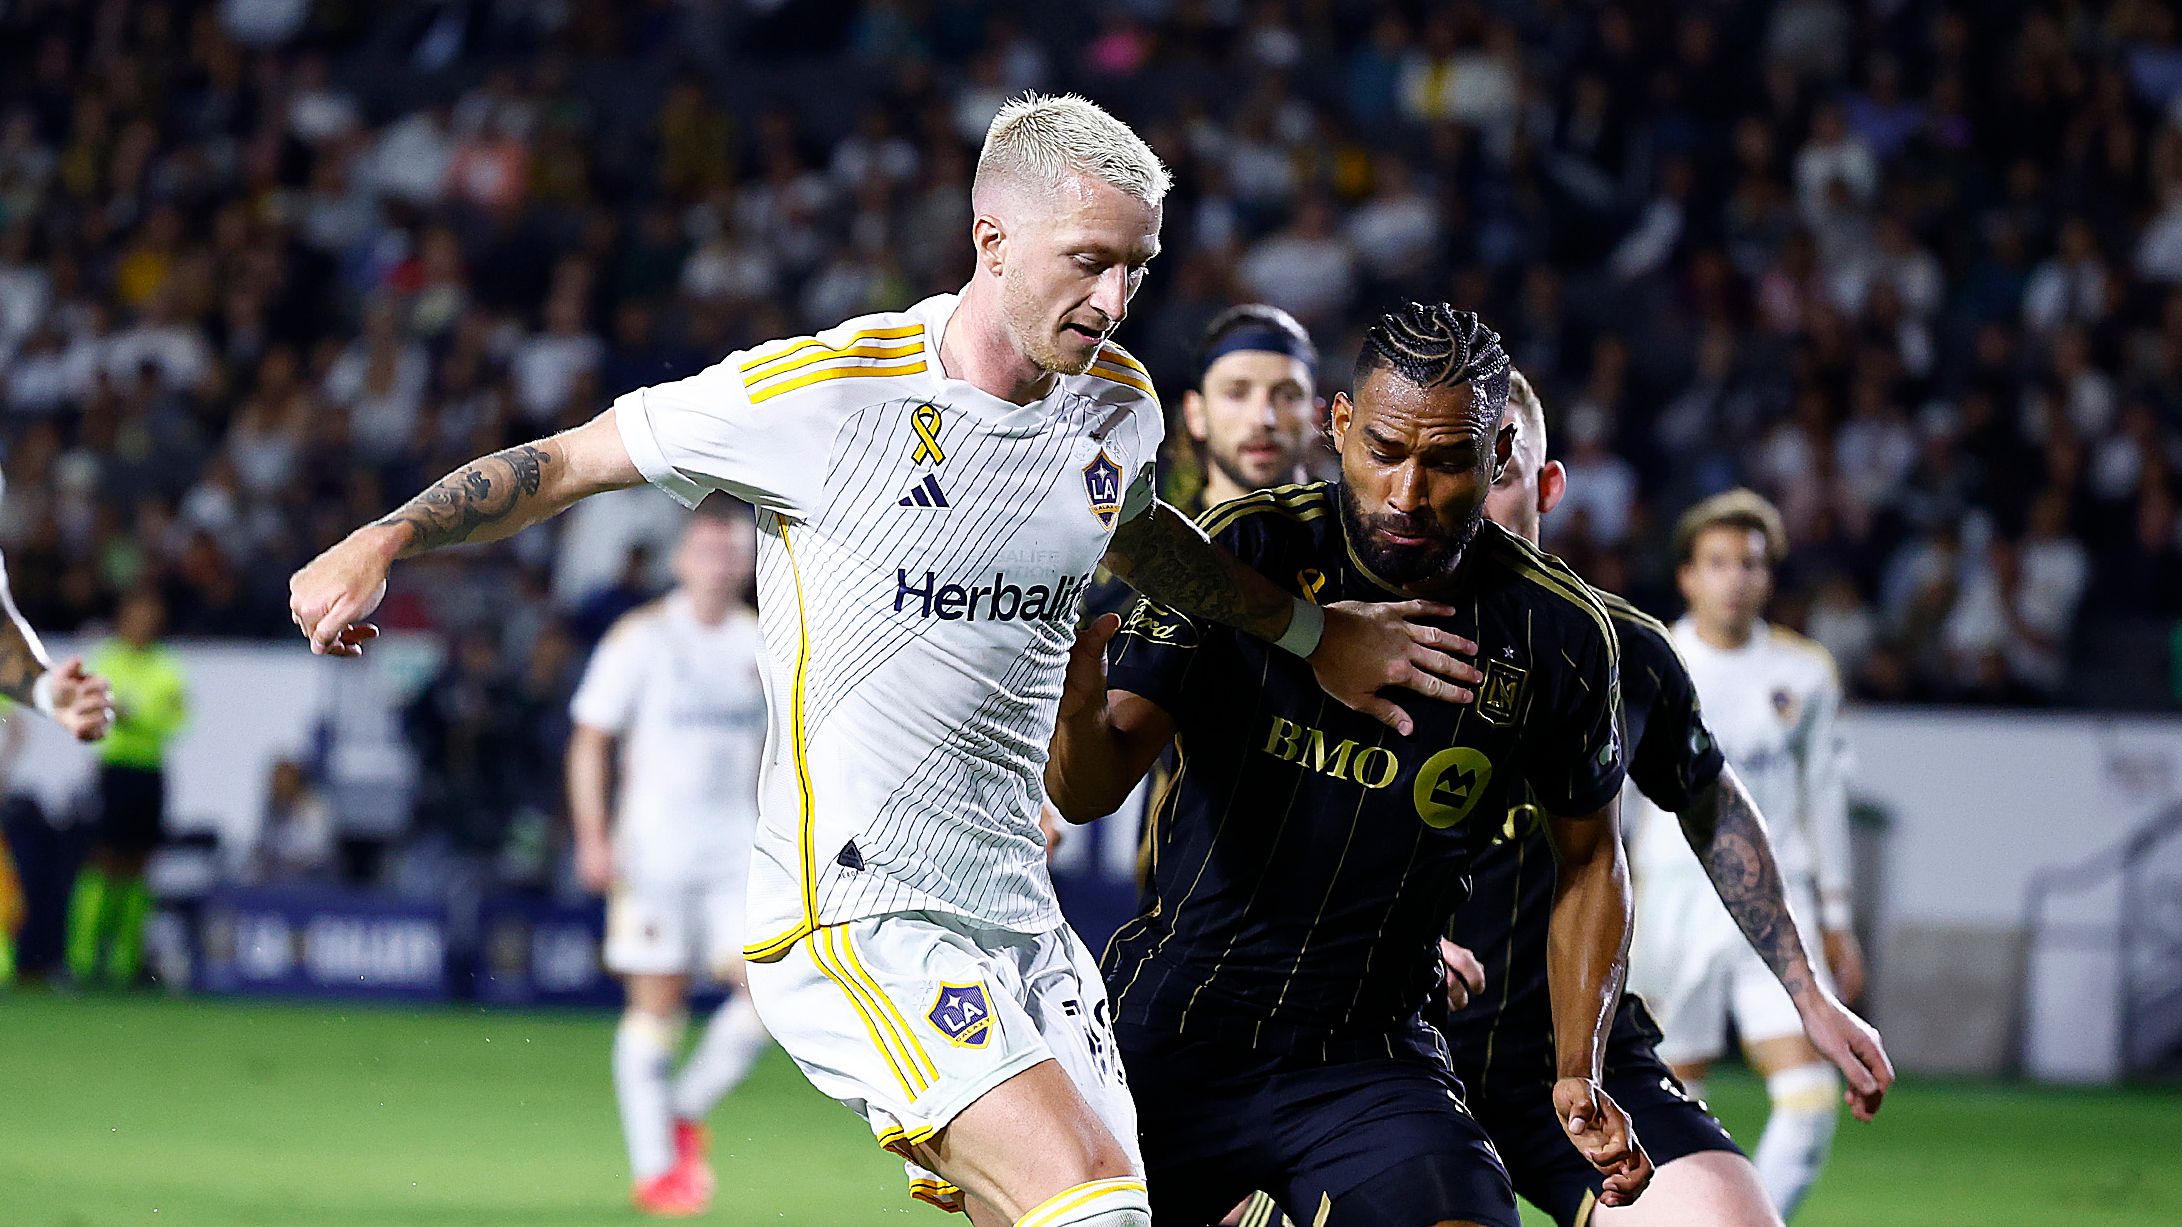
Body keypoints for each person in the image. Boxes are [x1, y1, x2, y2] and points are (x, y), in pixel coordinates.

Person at [289, 93, 1477, 1227]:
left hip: (1020, 916)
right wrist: (386, 533)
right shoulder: (822, 397)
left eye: (1139, 267)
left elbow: (1142, 539)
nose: (1116, 299)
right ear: (991, 238)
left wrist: (1317, 635)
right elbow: (570, 461)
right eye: (1088, 261)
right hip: (857, 911)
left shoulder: (1113, 408)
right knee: (1094, 1197)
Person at [1046, 304, 1650, 1227]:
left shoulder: (1560, 637)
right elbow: (1087, 789)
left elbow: (1591, 859)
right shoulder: (1244, 549)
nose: (1408, 493)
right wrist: (1080, 705)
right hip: (1175, 1028)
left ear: (1498, 456)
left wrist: (1579, 1066)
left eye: (1447, 462)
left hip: (1367, 1051)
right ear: (1337, 426)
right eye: (1383, 450)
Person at [1432, 372, 1893, 1227]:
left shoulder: (1624, 654)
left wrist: (1809, 994)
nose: (1464, 500)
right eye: (1446, 468)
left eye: (1496, 474)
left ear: (1547, 486)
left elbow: (1711, 805)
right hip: (1384, 1051)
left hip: (1570, 1057)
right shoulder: (1345, 642)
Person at [1625, 489, 1864, 1220]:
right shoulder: (1651, 659)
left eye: (1752, 563)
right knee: (1668, 1097)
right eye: (1719, 562)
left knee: (1811, 1093)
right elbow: (1617, 796)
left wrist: (1837, 912)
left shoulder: (1806, 672)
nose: (1737, 577)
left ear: (1771, 576)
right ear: (1688, 575)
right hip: (1671, 900)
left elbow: (1822, 795)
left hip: (1772, 903)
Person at [566, 505, 774, 1217]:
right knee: (657, 1009)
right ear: (681, 560)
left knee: (770, 997)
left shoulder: (765, 642)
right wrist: (593, 835)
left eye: (731, 551)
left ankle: (681, 1110)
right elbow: (590, 737)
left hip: (738, 852)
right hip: (652, 853)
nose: (719, 562)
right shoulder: (641, 638)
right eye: (706, 550)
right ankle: (657, 1168)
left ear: (747, 562)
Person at [71, 590, 186, 987]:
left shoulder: (167, 668)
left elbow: (176, 720)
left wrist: (132, 717)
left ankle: (123, 964)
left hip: (149, 772)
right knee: (103, 860)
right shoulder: (108, 661)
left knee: (138, 864)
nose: (143, 625)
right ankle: (82, 962)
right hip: (114, 771)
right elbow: (91, 708)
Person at [1179, 304, 1324, 511]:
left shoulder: (1359, 539)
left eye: (1288, 396)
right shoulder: (1158, 542)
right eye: (1236, 393)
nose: (1264, 418)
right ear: (1196, 414)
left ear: (1316, 416)